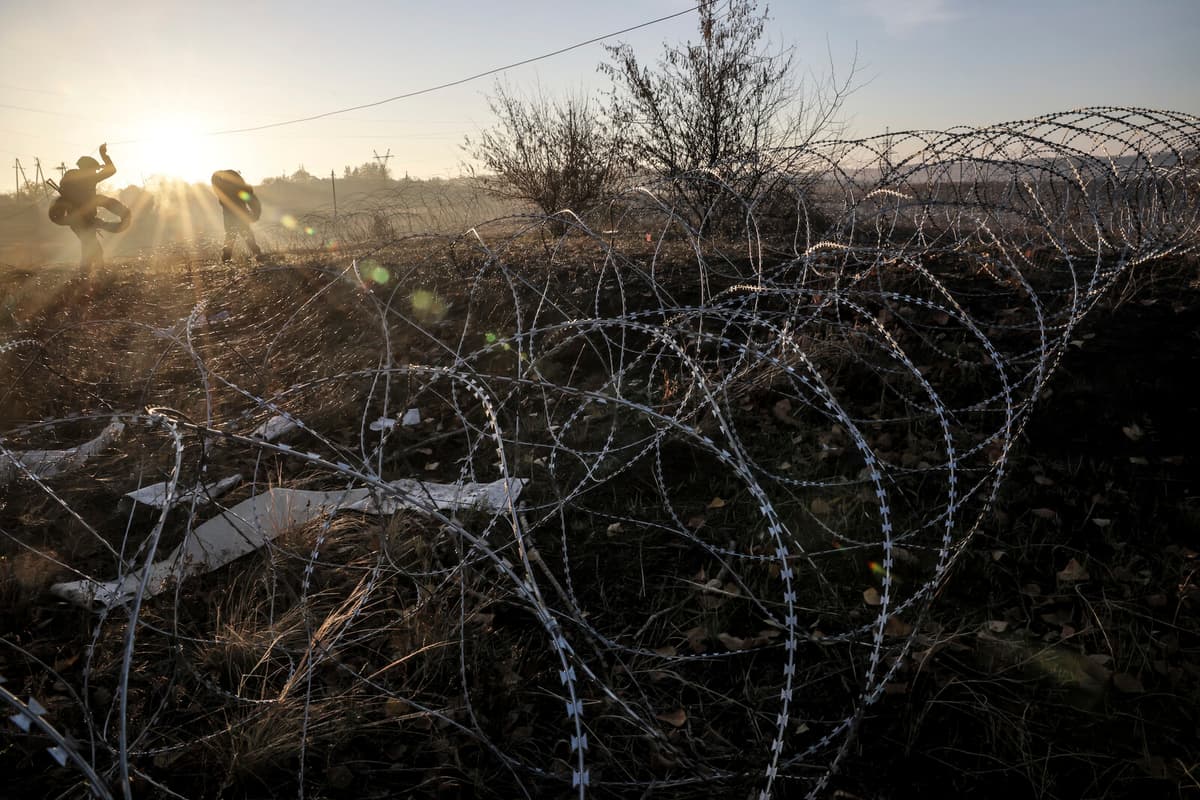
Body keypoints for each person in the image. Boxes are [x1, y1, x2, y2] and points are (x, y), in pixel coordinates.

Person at [48, 143, 130, 267]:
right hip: (81, 221)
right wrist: (103, 155)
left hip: (82, 221)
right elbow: (111, 170)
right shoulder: (84, 177)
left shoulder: (74, 177)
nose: (96, 171)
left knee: (91, 250)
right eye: (94, 169)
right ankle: (90, 277)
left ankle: (88, 275)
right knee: (93, 251)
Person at [211, 169, 263, 262]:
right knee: (245, 236)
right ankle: (258, 256)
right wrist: (255, 215)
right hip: (238, 215)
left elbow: (252, 202)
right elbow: (253, 202)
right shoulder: (240, 190)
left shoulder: (223, 189)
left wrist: (254, 214)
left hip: (231, 216)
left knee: (232, 237)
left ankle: (226, 260)